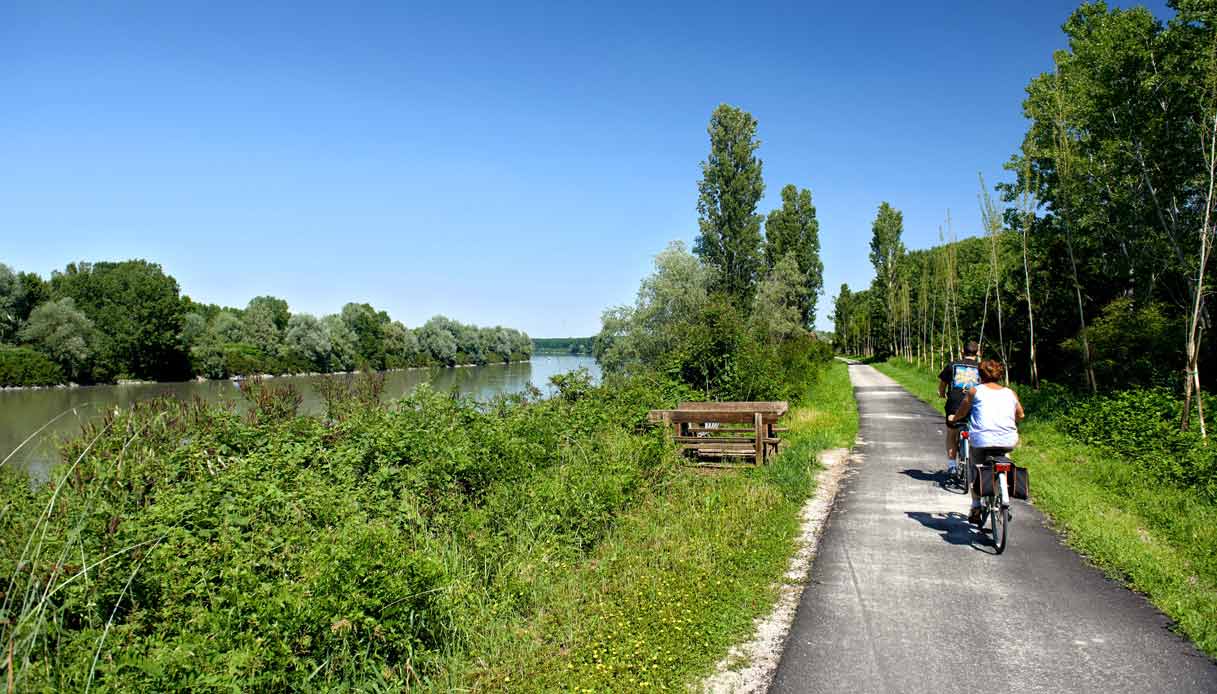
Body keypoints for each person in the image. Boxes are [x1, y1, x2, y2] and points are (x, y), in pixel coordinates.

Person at [953, 359, 1024, 524]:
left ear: (980, 375)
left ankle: (976, 505)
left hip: (982, 440)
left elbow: (962, 412)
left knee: (975, 466)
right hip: (1008, 439)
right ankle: (1005, 494)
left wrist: (953, 418)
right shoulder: (1010, 393)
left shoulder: (974, 391)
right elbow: (1020, 415)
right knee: (1005, 457)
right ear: (1000, 375)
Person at [937, 341, 980, 475]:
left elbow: (943, 384)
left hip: (955, 403)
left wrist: (942, 394)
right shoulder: (981, 367)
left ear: (962, 352)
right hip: (975, 403)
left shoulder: (952, 365)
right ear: (978, 353)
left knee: (952, 433)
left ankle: (952, 465)